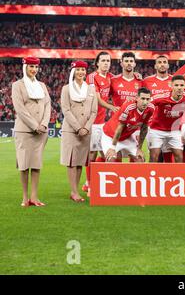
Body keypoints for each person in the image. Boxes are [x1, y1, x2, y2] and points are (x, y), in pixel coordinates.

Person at [11, 56, 51, 207]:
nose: (34, 69)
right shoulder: (17, 85)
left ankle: (34, 197)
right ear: (25, 67)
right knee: (24, 165)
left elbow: (48, 106)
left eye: (35, 67)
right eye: (31, 67)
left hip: (41, 132)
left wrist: (44, 124)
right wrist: (35, 125)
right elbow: (20, 109)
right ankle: (25, 197)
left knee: (36, 164)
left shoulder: (42, 85)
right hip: (25, 131)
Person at [60, 61, 98, 203]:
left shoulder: (91, 89)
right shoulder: (66, 89)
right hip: (71, 130)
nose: (81, 72)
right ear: (73, 72)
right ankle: (74, 191)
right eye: (78, 70)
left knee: (80, 161)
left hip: (86, 130)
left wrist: (86, 127)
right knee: (71, 161)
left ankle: (74, 191)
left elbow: (94, 111)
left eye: (83, 69)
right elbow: (66, 109)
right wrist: (78, 127)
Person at [83, 51, 116, 194]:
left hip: (103, 122)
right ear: (97, 63)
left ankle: (94, 181)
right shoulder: (91, 77)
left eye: (108, 61)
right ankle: (89, 184)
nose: (106, 63)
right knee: (92, 153)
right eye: (103, 60)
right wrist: (112, 107)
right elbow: (96, 100)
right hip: (92, 121)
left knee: (104, 154)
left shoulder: (111, 77)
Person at [148, 75, 185, 163]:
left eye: (181, 85)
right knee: (154, 157)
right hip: (157, 130)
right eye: (176, 85)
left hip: (174, 131)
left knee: (179, 157)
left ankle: (177, 176)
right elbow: (146, 103)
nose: (179, 88)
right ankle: (151, 176)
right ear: (171, 86)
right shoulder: (161, 97)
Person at [103, 88, 154, 163]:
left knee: (140, 159)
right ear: (137, 98)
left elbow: (144, 128)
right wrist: (113, 147)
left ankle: (135, 174)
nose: (145, 102)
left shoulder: (150, 109)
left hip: (126, 137)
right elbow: (120, 127)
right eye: (143, 98)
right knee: (112, 159)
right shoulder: (129, 107)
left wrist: (139, 149)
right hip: (110, 135)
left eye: (147, 99)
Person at [109, 52, 142, 162]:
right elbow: (103, 97)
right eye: (126, 61)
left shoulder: (140, 82)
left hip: (134, 126)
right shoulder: (113, 81)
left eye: (131, 61)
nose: (129, 63)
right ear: (121, 63)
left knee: (137, 159)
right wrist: (110, 107)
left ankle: (133, 179)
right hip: (117, 124)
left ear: (134, 64)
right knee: (115, 158)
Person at [142, 55, 173, 162]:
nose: (162, 64)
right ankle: (153, 177)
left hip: (170, 125)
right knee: (154, 156)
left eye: (164, 62)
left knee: (168, 157)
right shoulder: (147, 81)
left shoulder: (174, 81)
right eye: (159, 62)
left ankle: (168, 178)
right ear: (155, 66)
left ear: (168, 65)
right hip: (152, 125)